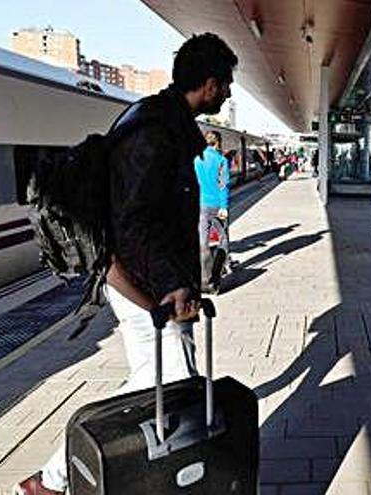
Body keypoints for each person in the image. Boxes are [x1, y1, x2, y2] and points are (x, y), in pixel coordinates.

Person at [13, 33, 238, 495]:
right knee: (172, 373)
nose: (230, 93)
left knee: (155, 375)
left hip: (137, 275)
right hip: (136, 279)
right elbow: (135, 221)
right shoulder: (155, 133)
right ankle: (53, 479)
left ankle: (69, 477)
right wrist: (172, 285)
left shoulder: (158, 120)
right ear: (210, 83)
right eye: (227, 84)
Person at [194, 130, 230, 292]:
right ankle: (216, 277)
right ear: (218, 142)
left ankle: (204, 280)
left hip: (201, 205)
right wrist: (223, 206)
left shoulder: (196, 159)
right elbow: (223, 185)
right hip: (217, 205)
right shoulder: (221, 160)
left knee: (203, 243)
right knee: (223, 239)